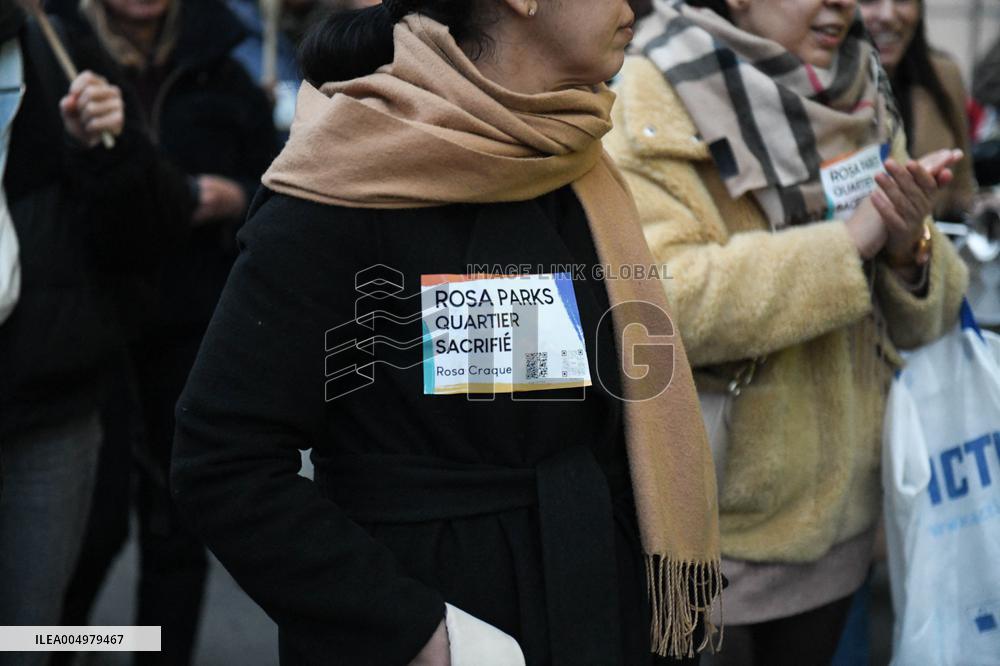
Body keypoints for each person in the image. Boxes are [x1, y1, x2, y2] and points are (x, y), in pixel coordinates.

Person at [171, 0, 725, 664]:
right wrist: (418, 633)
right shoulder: (351, 176)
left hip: (600, 604)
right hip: (440, 622)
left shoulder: (572, 149)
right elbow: (223, 461)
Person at [606, 0, 969, 664]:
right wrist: (850, 242)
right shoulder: (654, 82)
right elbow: (658, 303)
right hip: (710, 534)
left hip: (845, 520)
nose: (843, 4)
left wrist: (907, 250)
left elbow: (924, 312)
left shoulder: (859, 83)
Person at [47, 1, 277, 664]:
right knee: (88, 525)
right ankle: (53, 647)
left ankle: (159, 655)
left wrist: (234, 196)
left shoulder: (222, 62)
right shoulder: (56, 52)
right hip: (92, 325)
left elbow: (270, 179)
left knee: (180, 524)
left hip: (192, 321)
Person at [0, 0, 191, 660]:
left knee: (29, 634)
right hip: (66, 378)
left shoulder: (59, 46)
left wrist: (106, 151)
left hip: (51, 400)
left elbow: (149, 226)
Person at [859, 0, 976, 221]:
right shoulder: (824, 89)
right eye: (869, 0)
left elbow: (963, 185)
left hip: (936, 244)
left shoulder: (944, 76)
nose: (887, 15)